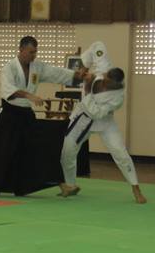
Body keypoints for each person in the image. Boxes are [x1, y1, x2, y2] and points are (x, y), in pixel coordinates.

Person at [0, 35, 83, 196]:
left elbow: (56, 73)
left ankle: (63, 185)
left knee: (42, 148)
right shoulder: (9, 68)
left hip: (26, 115)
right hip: (9, 116)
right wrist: (29, 95)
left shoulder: (37, 67)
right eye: (31, 52)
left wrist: (75, 75)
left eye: (35, 52)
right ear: (21, 49)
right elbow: (8, 89)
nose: (34, 55)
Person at [58, 48, 146, 203]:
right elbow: (97, 46)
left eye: (107, 82)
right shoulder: (105, 67)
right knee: (68, 151)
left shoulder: (118, 97)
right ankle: (70, 185)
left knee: (120, 152)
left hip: (104, 122)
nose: (104, 81)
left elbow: (97, 114)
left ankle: (135, 187)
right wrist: (85, 67)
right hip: (82, 119)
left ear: (115, 84)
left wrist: (88, 86)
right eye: (104, 78)